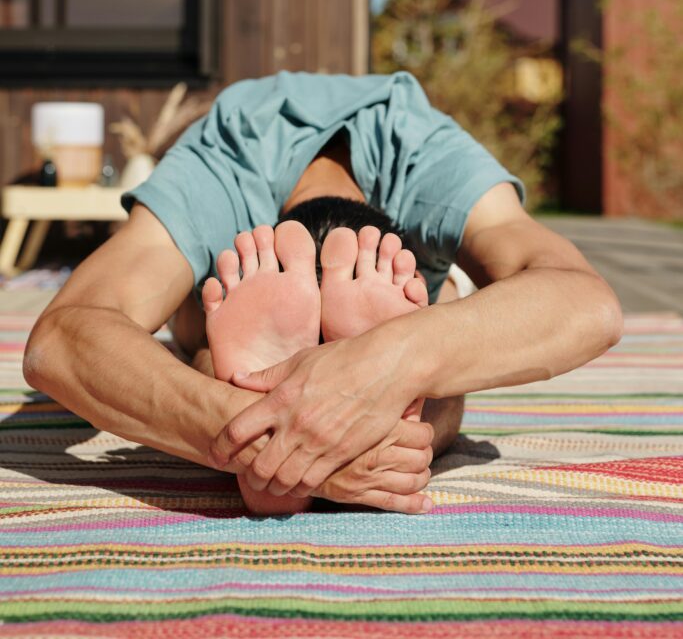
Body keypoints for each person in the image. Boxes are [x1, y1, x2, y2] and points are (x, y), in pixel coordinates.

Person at [23, 72, 623, 515]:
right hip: (228, 208)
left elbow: (584, 303)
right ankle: (281, 382)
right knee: (193, 327)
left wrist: (390, 359)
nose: (315, 395)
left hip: (376, 204)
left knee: (438, 351)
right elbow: (62, 338)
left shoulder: (428, 155)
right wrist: (256, 435)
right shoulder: (217, 161)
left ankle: (263, 371)